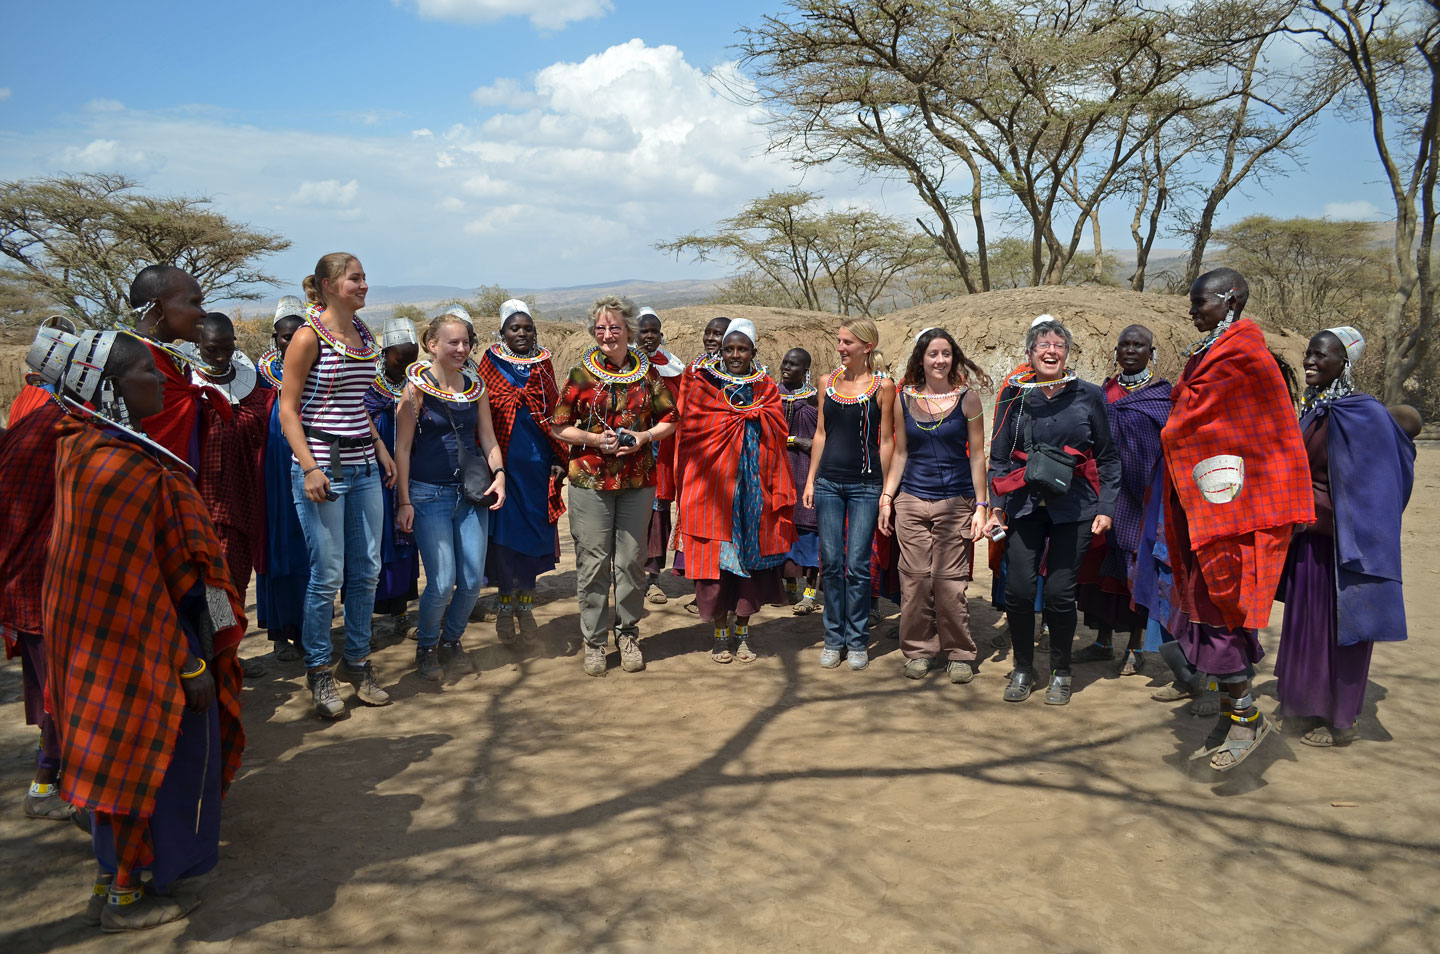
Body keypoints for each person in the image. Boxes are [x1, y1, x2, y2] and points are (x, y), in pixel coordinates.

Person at [44, 330, 246, 931]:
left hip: (117, 648)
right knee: (151, 767)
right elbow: (157, 584)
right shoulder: (122, 470)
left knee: (120, 761)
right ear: (109, 388)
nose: (162, 381)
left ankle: (115, 879)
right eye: (147, 374)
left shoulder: (88, 451)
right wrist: (195, 659)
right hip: (149, 652)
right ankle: (127, 897)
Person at [1160, 268, 1313, 771]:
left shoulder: (1246, 356)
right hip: (1206, 501)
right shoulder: (1207, 352)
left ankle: (1247, 721)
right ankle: (1232, 717)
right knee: (1207, 605)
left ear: (1230, 299)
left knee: (1224, 605)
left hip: (1237, 507)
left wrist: (1177, 430)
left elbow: (1253, 434)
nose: (1191, 311)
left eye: (1199, 301)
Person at [1274, 327, 1415, 747]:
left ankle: (1341, 720)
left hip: (1345, 545)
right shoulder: (1315, 409)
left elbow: (1377, 486)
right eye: (1309, 354)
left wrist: (1326, 516)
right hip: (1308, 539)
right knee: (1307, 625)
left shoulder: (1363, 413)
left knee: (1345, 629)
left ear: (1344, 363)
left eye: (1321, 355)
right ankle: (1305, 706)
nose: (1310, 362)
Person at [278, 253, 396, 718]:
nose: (364, 285)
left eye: (365, 277)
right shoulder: (308, 336)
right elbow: (289, 410)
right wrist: (308, 468)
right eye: (354, 279)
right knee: (327, 574)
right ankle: (319, 669)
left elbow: (354, 402)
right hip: (321, 465)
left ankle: (358, 661)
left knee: (367, 569)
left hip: (364, 464)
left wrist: (381, 448)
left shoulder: (365, 334)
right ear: (328, 285)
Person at [984, 319, 1121, 705]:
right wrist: (996, 508)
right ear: (1030, 353)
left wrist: (1106, 507)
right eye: (1043, 345)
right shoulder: (1015, 395)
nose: (1051, 351)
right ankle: (1024, 667)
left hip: (1075, 506)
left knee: (1061, 594)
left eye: (1059, 345)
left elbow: (1108, 458)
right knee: (1020, 590)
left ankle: (1061, 671)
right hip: (1024, 506)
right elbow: (998, 458)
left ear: (1067, 354)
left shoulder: (1089, 396)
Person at [551, 296, 677, 676]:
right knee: (592, 565)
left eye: (616, 327)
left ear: (630, 330)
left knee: (630, 563)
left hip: (637, 480)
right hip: (590, 480)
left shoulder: (647, 374)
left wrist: (643, 437)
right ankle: (594, 641)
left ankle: (628, 634)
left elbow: (671, 418)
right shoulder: (580, 374)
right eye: (601, 328)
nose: (608, 334)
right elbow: (558, 425)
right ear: (594, 331)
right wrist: (592, 441)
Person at [674, 319, 795, 662]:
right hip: (713, 491)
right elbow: (691, 429)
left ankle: (743, 634)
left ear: (754, 352)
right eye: (729, 349)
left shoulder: (766, 388)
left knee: (750, 567)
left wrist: (756, 417)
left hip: (754, 493)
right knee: (718, 566)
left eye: (742, 349)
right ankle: (719, 635)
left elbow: (777, 427)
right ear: (721, 351)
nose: (735, 355)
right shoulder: (703, 385)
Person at [394, 314, 506, 681]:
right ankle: (426, 646)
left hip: (471, 495)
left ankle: (451, 642)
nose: (461, 349)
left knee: (473, 580)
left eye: (465, 342)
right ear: (432, 345)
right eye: (452, 343)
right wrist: (405, 500)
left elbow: (487, 438)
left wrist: (500, 476)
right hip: (428, 496)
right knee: (442, 582)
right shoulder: (415, 390)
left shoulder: (476, 386)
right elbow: (404, 448)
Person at [0, 324, 79, 820]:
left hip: (28, 582)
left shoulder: (42, 419)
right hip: (40, 584)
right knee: (61, 690)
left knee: (54, 686)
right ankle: (47, 786)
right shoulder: (57, 430)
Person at [879, 329, 989, 683]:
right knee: (913, 582)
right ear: (921, 359)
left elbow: (977, 457)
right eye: (933, 354)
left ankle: (959, 653)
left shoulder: (969, 400)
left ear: (953, 358)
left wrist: (981, 505)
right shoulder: (903, 398)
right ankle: (918, 649)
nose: (940, 360)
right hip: (911, 500)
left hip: (956, 502)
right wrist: (887, 498)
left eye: (946, 354)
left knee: (948, 583)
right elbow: (900, 452)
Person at [1073, 324, 1173, 676]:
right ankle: (1101, 641)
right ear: (1116, 351)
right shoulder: (1102, 393)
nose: (1130, 351)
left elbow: (1169, 449)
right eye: (1124, 345)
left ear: (1151, 352)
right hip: (1103, 496)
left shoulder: (1163, 397)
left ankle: (1134, 647)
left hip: (1143, 498)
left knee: (1135, 571)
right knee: (1099, 569)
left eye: (1139, 345)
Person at [802, 316, 897, 671]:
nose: (841, 348)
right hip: (828, 483)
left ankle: (857, 641)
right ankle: (832, 638)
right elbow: (822, 435)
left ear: (866, 346)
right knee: (831, 563)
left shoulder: (883, 387)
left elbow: (886, 440)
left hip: (865, 487)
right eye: (840, 342)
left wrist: (886, 491)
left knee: (857, 565)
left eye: (847, 343)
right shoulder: (828, 382)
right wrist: (811, 480)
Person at [187, 312, 273, 678]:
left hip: (241, 502)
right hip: (200, 505)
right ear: (198, 346)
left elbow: (260, 422)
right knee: (212, 589)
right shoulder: (184, 387)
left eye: (227, 348)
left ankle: (229, 655)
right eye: (212, 349)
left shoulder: (251, 388)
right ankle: (214, 660)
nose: (221, 356)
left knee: (235, 584)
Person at [477, 299, 567, 644]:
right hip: (502, 469)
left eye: (528, 328)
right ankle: (503, 608)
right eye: (515, 328)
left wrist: (558, 457)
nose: (522, 333)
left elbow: (554, 412)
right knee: (504, 543)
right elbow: (482, 417)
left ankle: (525, 607)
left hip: (538, 468)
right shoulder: (489, 364)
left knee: (532, 539)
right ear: (502, 332)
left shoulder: (544, 364)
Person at [129, 264, 229, 469]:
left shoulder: (168, 361)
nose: (203, 314)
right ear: (158, 309)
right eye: (194, 303)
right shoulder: (128, 363)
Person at [254, 297, 308, 661]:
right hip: (271, 476)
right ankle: (278, 633)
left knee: (308, 550)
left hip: (307, 472)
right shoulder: (256, 379)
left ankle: (306, 631)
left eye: (297, 336)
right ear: (275, 339)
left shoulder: (315, 372)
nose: (290, 343)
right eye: (284, 338)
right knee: (277, 549)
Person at [364, 318, 421, 640]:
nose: (407, 364)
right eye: (401, 358)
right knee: (372, 543)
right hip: (373, 471)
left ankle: (400, 613)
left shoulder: (417, 385)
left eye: (412, 358)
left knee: (403, 542)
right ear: (385, 354)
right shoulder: (367, 387)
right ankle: (364, 621)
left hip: (407, 473)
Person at [635, 307, 686, 603]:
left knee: (657, 514)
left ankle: (653, 577)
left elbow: (680, 410)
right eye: (644, 330)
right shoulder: (621, 364)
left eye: (654, 330)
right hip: (628, 453)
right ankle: (630, 574)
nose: (650, 336)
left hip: (662, 452)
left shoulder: (673, 367)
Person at [778, 348, 821, 614]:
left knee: (809, 531)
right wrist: (795, 441)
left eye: (794, 364)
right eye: (785, 362)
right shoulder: (770, 395)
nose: (787, 367)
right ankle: (789, 586)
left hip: (807, 472)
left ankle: (810, 592)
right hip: (778, 472)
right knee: (783, 527)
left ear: (806, 370)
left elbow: (825, 437)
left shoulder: (816, 399)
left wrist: (809, 444)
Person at [6, 316, 77, 426]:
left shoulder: (73, 373)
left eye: (64, 337)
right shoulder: (36, 376)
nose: (58, 340)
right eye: (53, 335)